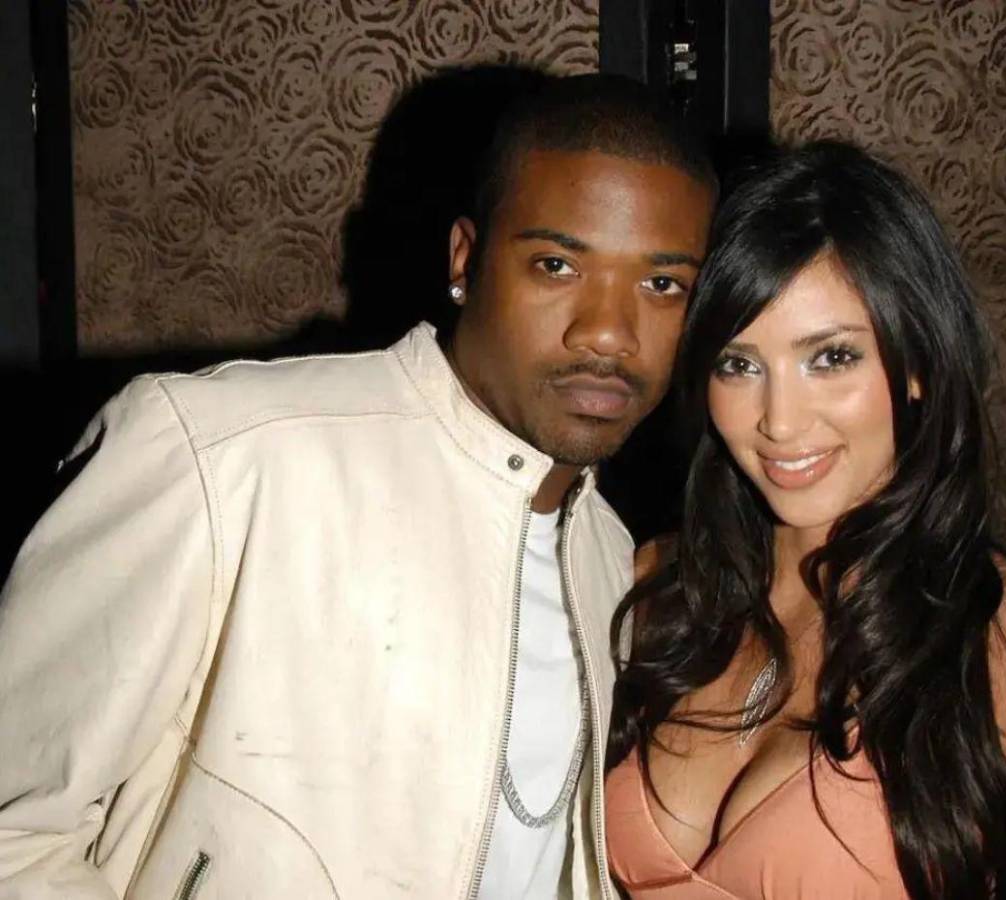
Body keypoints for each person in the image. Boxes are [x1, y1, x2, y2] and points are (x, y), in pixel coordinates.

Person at [0, 74, 716, 899]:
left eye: (662, 284)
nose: (608, 333)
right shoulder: (224, 454)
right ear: (466, 259)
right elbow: (17, 830)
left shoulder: (609, 554)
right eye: (556, 265)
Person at [604, 141, 1006, 900]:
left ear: (917, 365)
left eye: (830, 358)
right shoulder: (657, 587)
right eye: (738, 364)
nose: (779, 421)